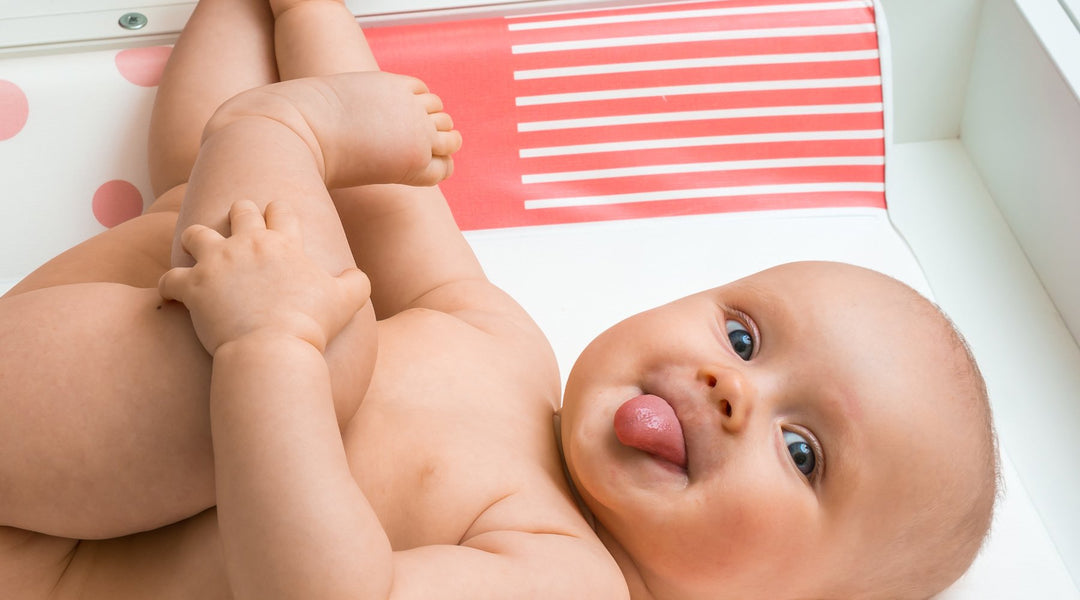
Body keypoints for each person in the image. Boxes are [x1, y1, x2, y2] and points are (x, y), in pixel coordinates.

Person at [0, 0, 999, 599]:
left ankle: (272, 133)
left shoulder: (571, 579)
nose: (730, 388)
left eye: (802, 451)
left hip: (48, 558)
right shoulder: (516, 357)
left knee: (314, 325)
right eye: (741, 335)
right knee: (259, 227)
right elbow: (395, 200)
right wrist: (311, 19)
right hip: (83, 410)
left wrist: (274, 347)